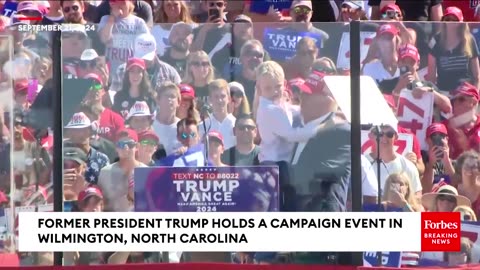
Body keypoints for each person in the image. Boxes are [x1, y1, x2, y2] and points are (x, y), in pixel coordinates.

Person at [98, 128, 147, 212]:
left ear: (137, 147)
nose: (126, 148)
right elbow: (100, 204)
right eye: (121, 144)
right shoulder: (105, 172)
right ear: (116, 148)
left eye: (130, 144)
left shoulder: (146, 172)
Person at [64, 112, 110, 185]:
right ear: (70, 133)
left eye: (84, 130)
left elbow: (108, 186)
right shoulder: (63, 158)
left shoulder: (102, 159)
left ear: (90, 131)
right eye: (76, 130)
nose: (80, 134)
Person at [198, 79, 236, 149]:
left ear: (229, 99)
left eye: (223, 96)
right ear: (210, 99)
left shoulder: (235, 124)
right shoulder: (203, 126)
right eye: (216, 96)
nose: (220, 100)